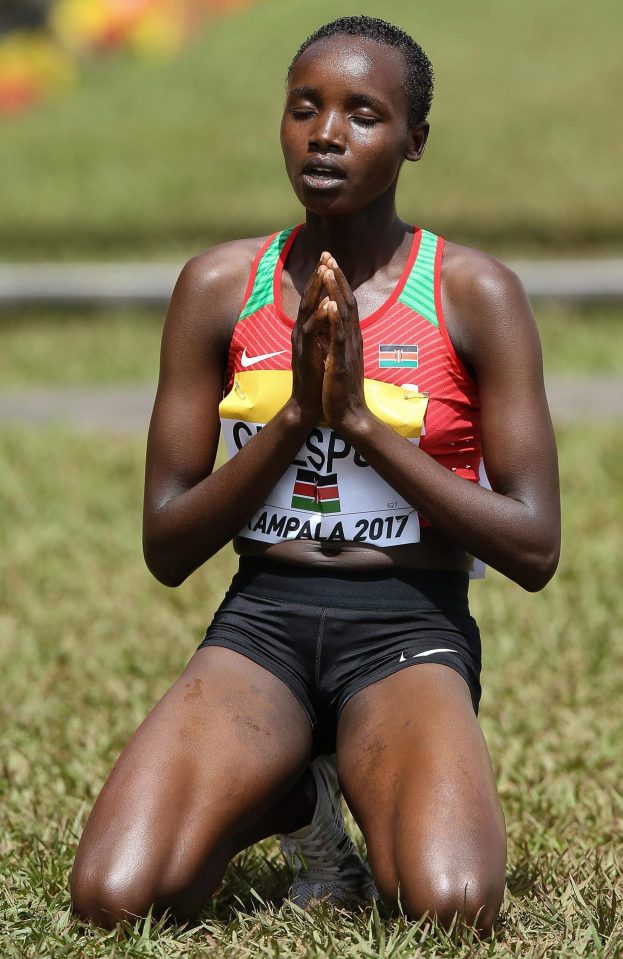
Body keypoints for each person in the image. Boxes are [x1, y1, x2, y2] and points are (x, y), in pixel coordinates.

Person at [71, 15, 560, 935]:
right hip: (263, 623)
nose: (326, 133)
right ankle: (293, 792)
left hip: (407, 630)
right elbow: (167, 545)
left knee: (449, 905)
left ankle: (375, 779)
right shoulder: (221, 288)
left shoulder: (472, 294)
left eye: (363, 113)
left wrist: (363, 425)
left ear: (414, 140)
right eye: (306, 108)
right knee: (116, 897)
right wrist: (295, 415)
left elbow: (533, 545)